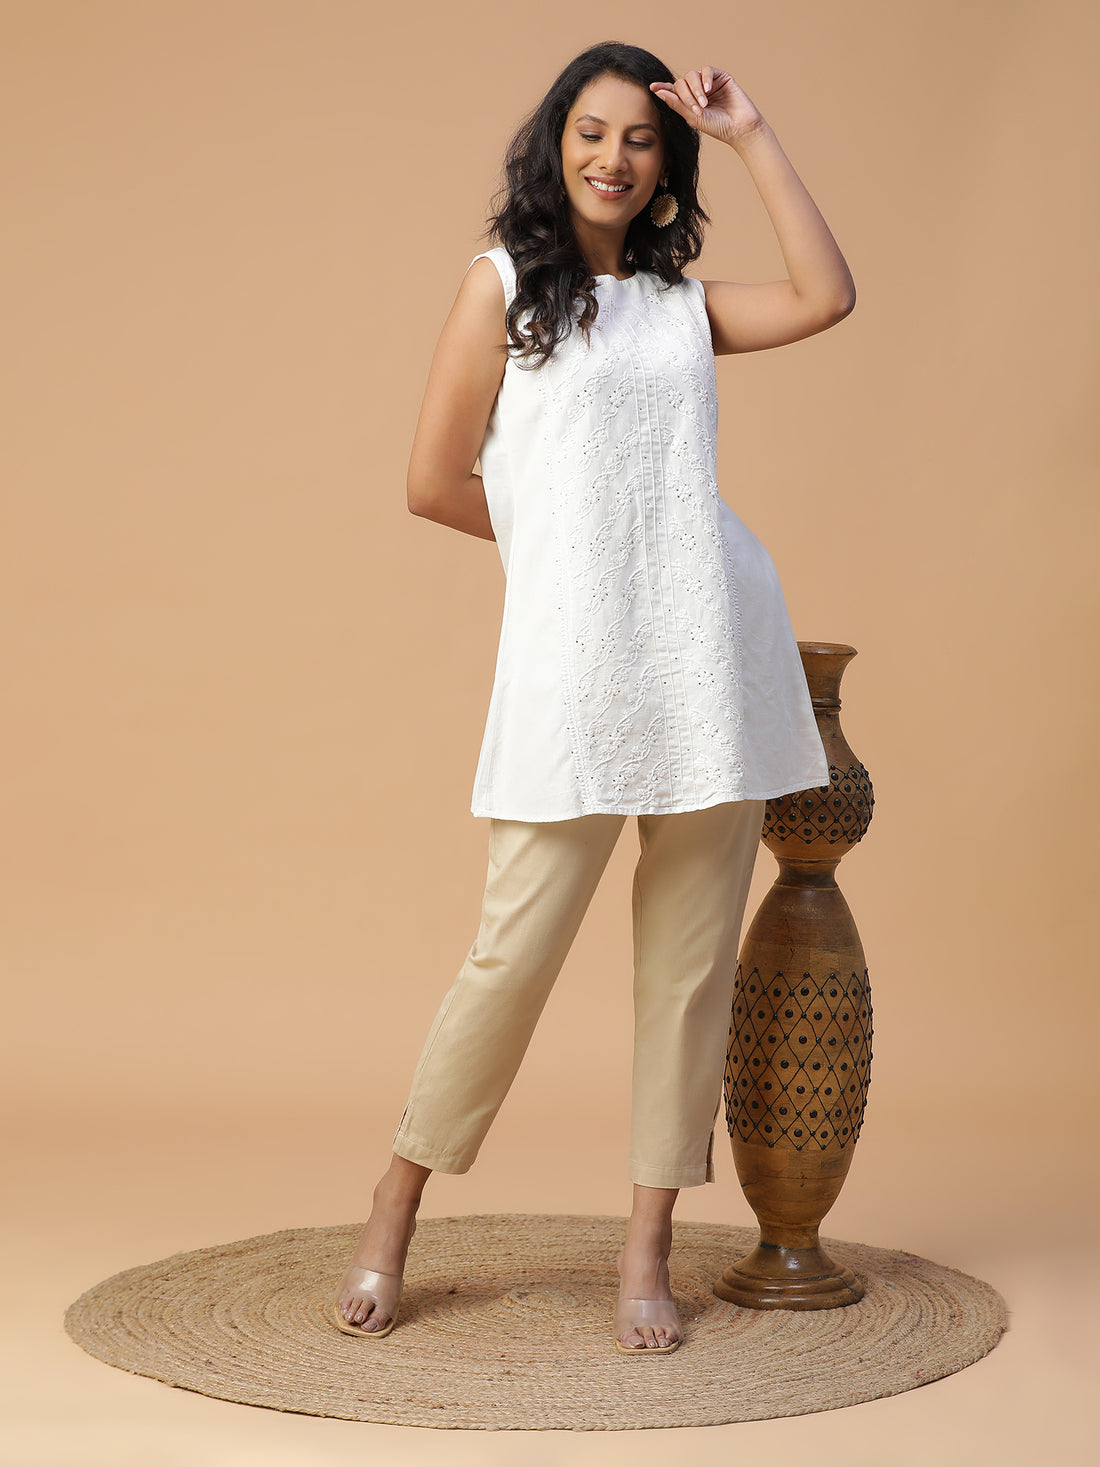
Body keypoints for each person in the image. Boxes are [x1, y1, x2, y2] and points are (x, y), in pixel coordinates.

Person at [332, 40, 855, 1355]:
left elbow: (827, 295)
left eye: (640, 138)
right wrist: (574, 554)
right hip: (578, 668)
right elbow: (433, 481)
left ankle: (648, 1247)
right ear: (554, 142)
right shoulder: (501, 287)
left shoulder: (681, 305)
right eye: (592, 130)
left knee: (687, 972)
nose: (613, 156)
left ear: (666, 162)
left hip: (710, 655)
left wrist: (751, 132)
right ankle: (396, 1203)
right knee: (511, 955)